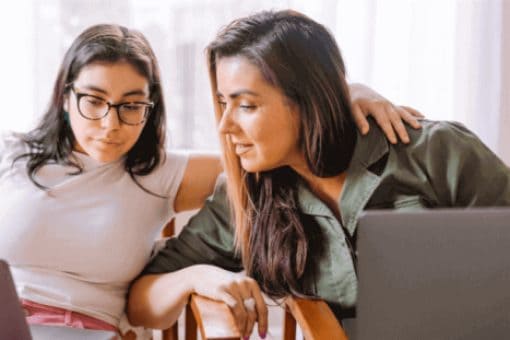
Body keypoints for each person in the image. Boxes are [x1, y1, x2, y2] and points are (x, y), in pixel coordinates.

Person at [0, 22, 419, 338]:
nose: (111, 123)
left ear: (151, 110)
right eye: (93, 100)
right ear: (65, 95)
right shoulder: (9, 156)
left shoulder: (159, 174)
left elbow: (278, 142)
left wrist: (344, 95)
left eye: (131, 105)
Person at [127, 9, 510, 340]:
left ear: (307, 101)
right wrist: (195, 278)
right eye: (223, 103)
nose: (225, 125)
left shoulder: (436, 151)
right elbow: (142, 302)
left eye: (246, 105)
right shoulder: (248, 197)